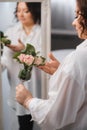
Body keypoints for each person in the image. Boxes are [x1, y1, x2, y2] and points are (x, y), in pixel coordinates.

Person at [16, 0, 87, 130]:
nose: (73, 22)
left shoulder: (78, 59)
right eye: (19, 10)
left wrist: (28, 101)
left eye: (77, 15)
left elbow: (55, 117)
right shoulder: (12, 31)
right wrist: (62, 72)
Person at [1, 2, 41, 130]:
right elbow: (5, 60)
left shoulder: (42, 32)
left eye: (26, 11)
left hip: (39, 88)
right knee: (24, 125)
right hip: (18, 88)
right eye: (18, 10)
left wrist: (24, 49)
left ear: (34, 11)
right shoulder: (11, 32)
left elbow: (42, 60)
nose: (21, 15)